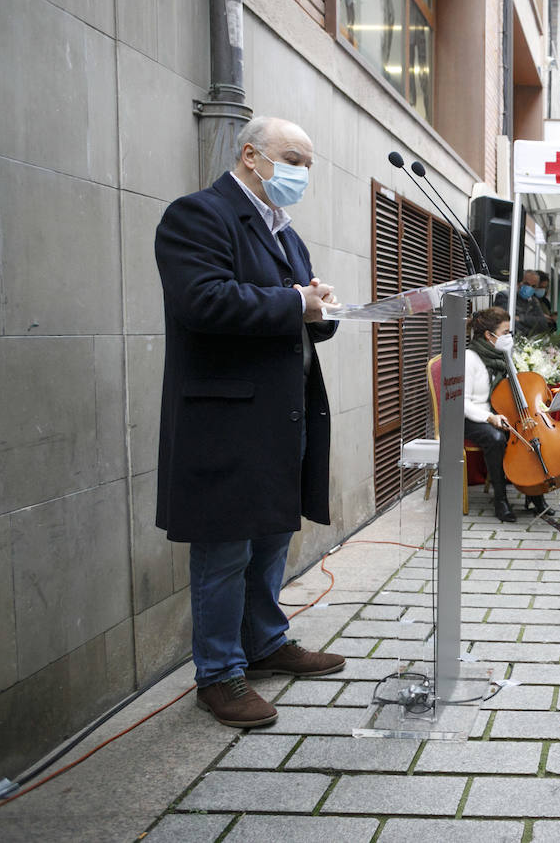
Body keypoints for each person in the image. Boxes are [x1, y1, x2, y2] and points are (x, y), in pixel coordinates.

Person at [154, 116, 346, 728]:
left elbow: (300, 313)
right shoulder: (199, 216)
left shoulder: (286, 234)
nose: (302, 173)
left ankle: (264, 641)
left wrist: (320, 310)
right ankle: (218, 672)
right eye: (294, 157)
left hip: (280, 415)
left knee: (271, 535)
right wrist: (295, 302)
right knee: (225, 546)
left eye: (309, 164)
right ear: (251, 154)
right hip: (226, 418)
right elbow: (202, 300)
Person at [464, 308, 519, 523]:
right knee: (496, 438)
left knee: (527, 432)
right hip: (472, 418)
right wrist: (490, 418)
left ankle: (535, 495)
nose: (509, 337)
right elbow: (463, 403)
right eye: (505, 332)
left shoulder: (502, 356)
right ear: (489, 335)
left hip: (496, 414)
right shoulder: (470, 358)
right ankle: (501, 500)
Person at [510, 270, 552, 337]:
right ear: (519, 282)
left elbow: (543, 323)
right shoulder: (508, 298)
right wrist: (531, 332)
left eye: (533, 286)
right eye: (527, 284)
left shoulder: (534, 302)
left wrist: (521, 318)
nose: (529, 288)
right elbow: (511, 322)